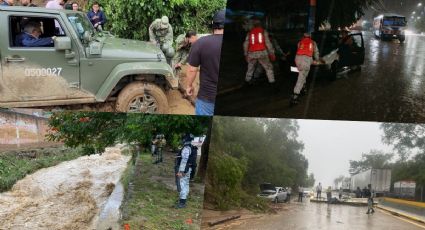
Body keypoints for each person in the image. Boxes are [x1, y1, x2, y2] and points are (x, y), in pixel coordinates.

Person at [185, 9, 224, 116]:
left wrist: (189, 86)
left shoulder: (201, 43)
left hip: (207, 97)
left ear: (213, 25)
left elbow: (192, 69)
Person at [243, 16, 276, 87]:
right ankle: (272, 84)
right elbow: (268, 44)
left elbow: (245, 44)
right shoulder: (263, 31)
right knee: (268, 68)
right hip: (262, 52)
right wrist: (272, 54)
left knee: (250, 67)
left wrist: (246, 54)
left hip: (251, 53)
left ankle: (247, 82)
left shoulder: (250, 33)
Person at [290, 33, 321, 105]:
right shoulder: (313, 42)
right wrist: (317, 60)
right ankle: (295, 96)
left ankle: (303, 88)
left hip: (297, 59)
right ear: (310, 37)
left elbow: (299, 50)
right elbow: (316, 53)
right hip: (306, 60)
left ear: (303, 37)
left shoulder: (300, 42)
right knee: (301, 78)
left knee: (302, 74)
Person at [175, 133, 196, 209]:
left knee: (182, 184)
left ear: (185, 139)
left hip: (185, 169)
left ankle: (182, 203)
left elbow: (184, 160)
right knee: (186, 184)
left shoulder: (186, 148)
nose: (182, 139)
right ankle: (183, 201)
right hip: (188, 169)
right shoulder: (191, 147)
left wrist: (181, 171)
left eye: (183, 138)